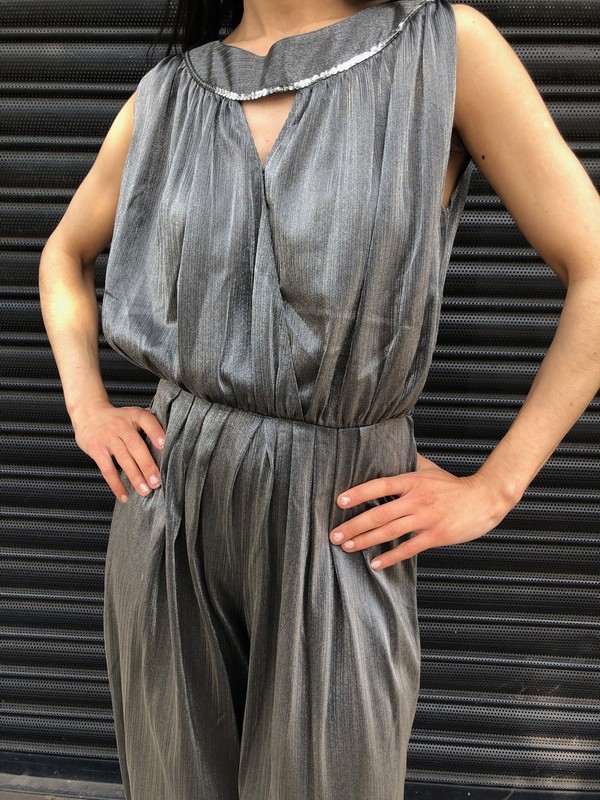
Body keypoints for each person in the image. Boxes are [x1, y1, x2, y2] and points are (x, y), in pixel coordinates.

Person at [39, 0, 600, 798]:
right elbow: (64, 251)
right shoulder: (171, 92)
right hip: (168, 504)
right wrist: (86, 406)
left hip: (338, 515)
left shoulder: (442, 50)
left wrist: (495, 488)